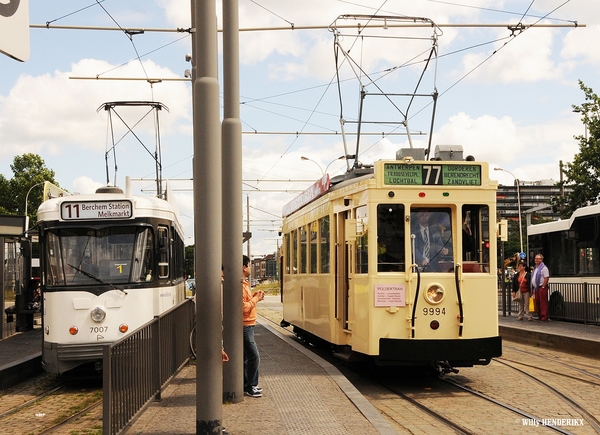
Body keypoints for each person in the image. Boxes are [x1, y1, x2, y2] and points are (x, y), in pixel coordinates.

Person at [242, 255, 264, 398]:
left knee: (245, 357)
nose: (250, 268)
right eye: (249, 265)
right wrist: (255, 299)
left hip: (248, 325)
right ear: (244, 267)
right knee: (254, 356)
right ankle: (251, 386)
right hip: (245, 326)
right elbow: (243, 308)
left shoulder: (244, 285)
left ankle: (247, 384)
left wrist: (255, 298)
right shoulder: (241, 286)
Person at [531, 254, 550, 321]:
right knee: (537, 302)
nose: (536, 260)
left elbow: (546, 278)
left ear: (541, 260)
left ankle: (544, 316)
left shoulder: (544, 268)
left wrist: (543, 286)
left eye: (538, 258)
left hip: (541, 287)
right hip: (536, 288)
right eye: (535, 258)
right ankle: (539, 315)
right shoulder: (535, 268)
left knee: (543, 302)